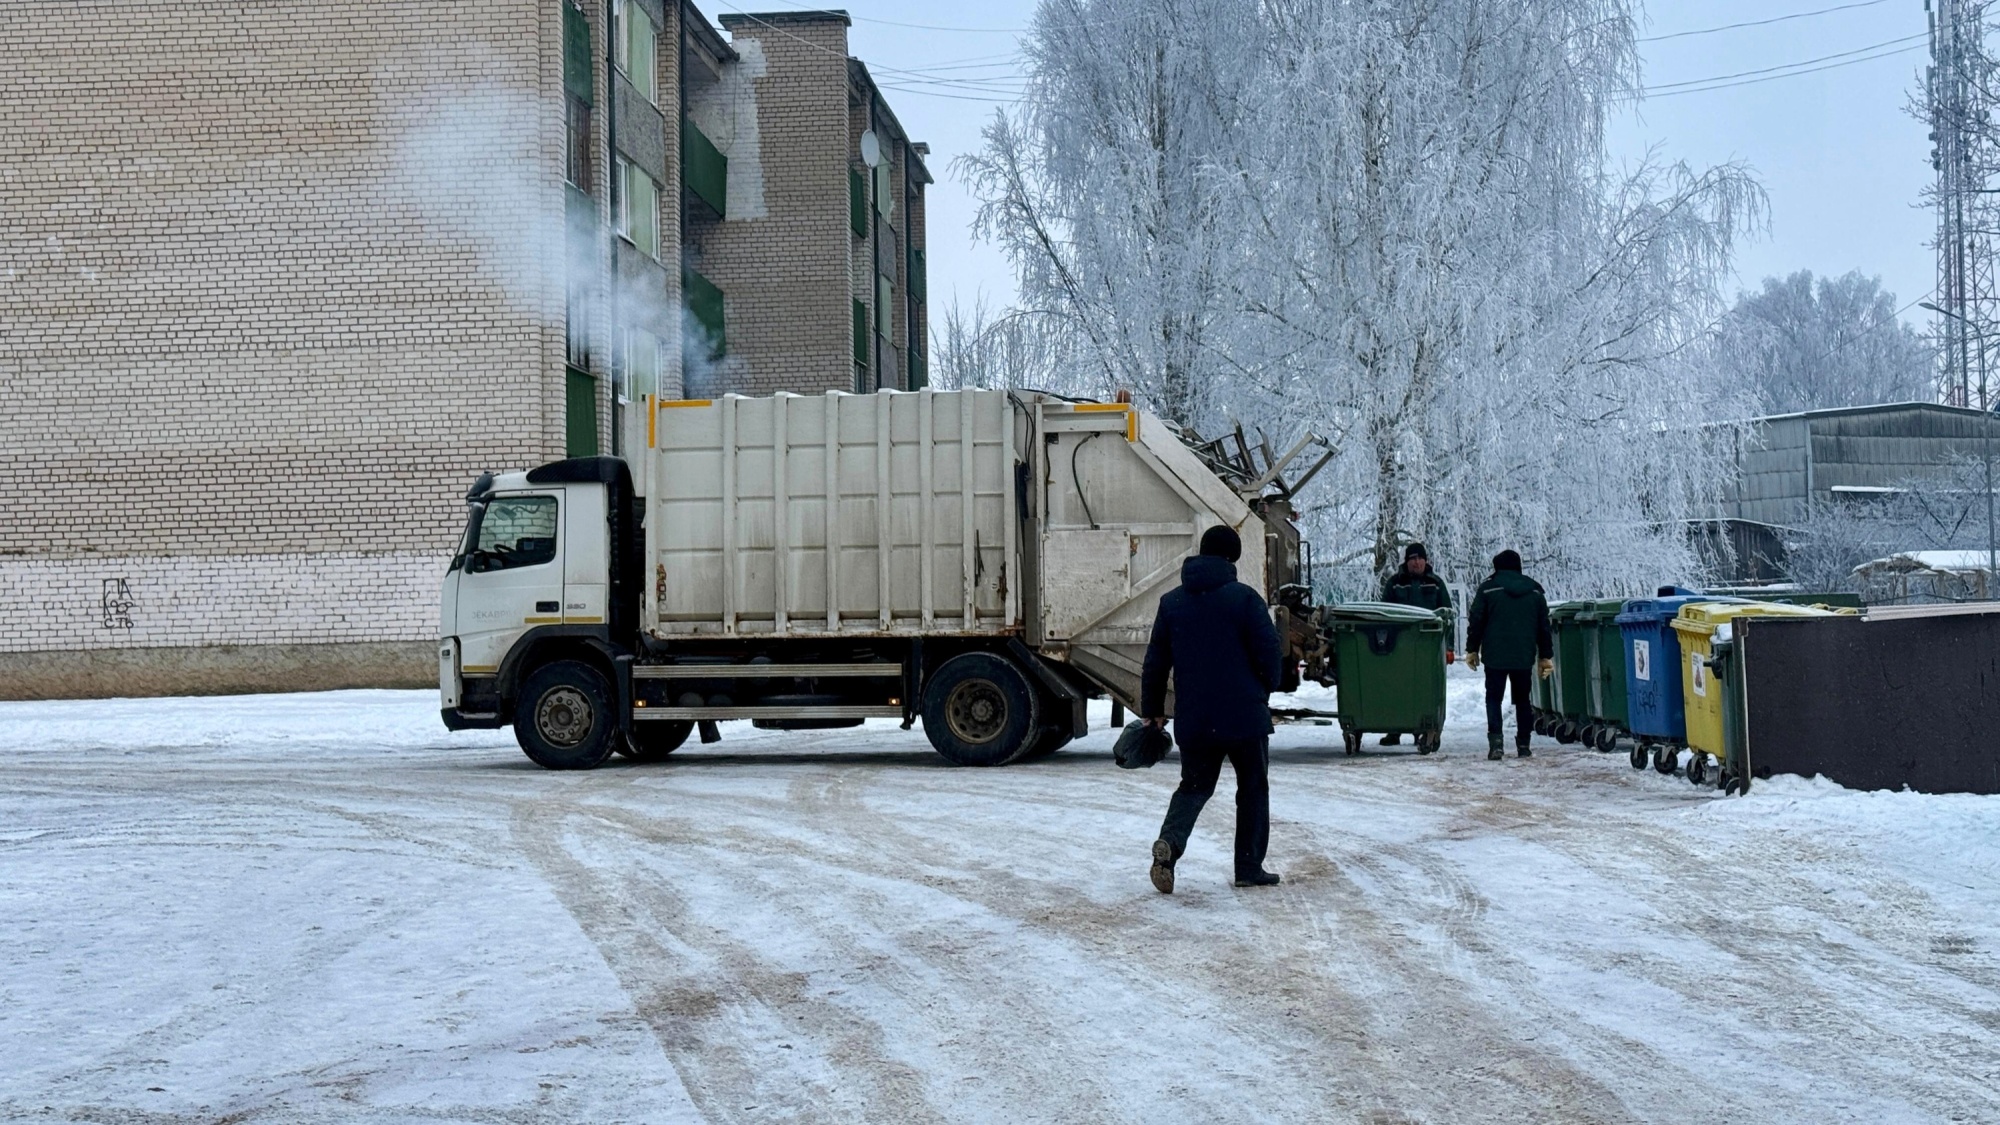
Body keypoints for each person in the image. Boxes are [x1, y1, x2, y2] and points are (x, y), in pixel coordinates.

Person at [1141, 525, 1284, 894]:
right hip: (1243, 717)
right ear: (1231, 559)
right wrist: (1264, 688)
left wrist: (1154, 709)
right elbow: (1270, 653)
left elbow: (1155, 662)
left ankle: (1169, 847)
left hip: (1197, 718)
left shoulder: (1171, 602)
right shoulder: (1245, 599)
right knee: (1252, 787)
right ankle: (1248, 866)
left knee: (1193, 787)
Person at [1464, 549, 1554, 761]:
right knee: (1523, 700)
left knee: (1493, 699)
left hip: (1495, 656)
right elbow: (1544, 627)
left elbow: (1476, 620)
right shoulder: (1534, 591)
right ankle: (1524, 745)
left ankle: (1496, 744)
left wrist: (1472, 649)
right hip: (1523, 655)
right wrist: (1545, 656)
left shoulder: (1487, 589)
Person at [1378, 542, 1453, 744]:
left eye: (1420, 558)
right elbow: (1382, 614)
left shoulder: (1436, 584)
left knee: (1424, 689)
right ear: (1407, 561)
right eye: (1412, 559)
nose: (1416, 562)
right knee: (1396, 687)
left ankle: (1422, 728)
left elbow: (1448, 616)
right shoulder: (1394, 583)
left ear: (1426, 561)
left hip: (1428, 648)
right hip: (1398, 646)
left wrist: (1449, 647)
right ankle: (1394, 730)